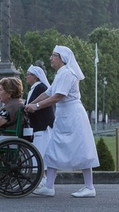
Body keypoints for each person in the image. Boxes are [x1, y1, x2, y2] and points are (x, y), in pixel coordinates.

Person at [25, 46, 99, 198]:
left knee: (82, 149)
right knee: (53, 148)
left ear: (62, 58)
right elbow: (48, 92)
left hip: (73, 115)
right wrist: (31, 104)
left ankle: (89, 187)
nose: (51, 58)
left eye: (54, 55)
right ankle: (49, 186)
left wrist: (36, 106)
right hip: (65, 115)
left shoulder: (67, 74)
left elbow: (58, 96)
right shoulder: (60, 74)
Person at [25, 64, 54, 183]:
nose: (26, 77)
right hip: (38, 125)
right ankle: (43, 179)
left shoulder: (40, 88)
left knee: (42, 153)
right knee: (40, 152)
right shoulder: (36, 88)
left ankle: (44, 179)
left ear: (35, 76)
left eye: (28, 75)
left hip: (42, 125)